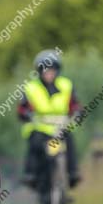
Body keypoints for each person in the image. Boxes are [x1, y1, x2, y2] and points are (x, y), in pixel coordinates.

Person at [19, 49, 82, 189]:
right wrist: (26, 114)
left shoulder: (66, 85)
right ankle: (31, 175)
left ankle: (73, 174)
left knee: (70, 143)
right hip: (39, 127)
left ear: (57, 71)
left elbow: (75, 104)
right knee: (35, 144)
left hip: (61, 127)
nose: (49, 73)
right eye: (46, 70)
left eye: (52, 70)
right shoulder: (31, 87)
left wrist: (77, 113)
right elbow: (23, 107)